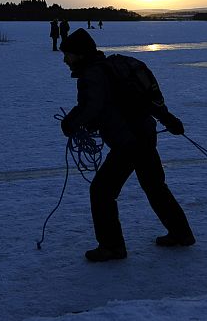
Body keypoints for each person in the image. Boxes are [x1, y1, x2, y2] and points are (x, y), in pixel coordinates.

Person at [59, 28, 194, 262]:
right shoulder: (112, 69)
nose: (65, 60)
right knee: (154, 186)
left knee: (101, 191)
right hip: (144, 135)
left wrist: (71, 123)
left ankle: (111, 247)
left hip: (128, 143)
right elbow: (129, 103)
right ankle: (181, 233)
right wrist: (168, 119)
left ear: (80, 54)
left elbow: (91, 107)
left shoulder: (93, 75)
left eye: (68, 54)